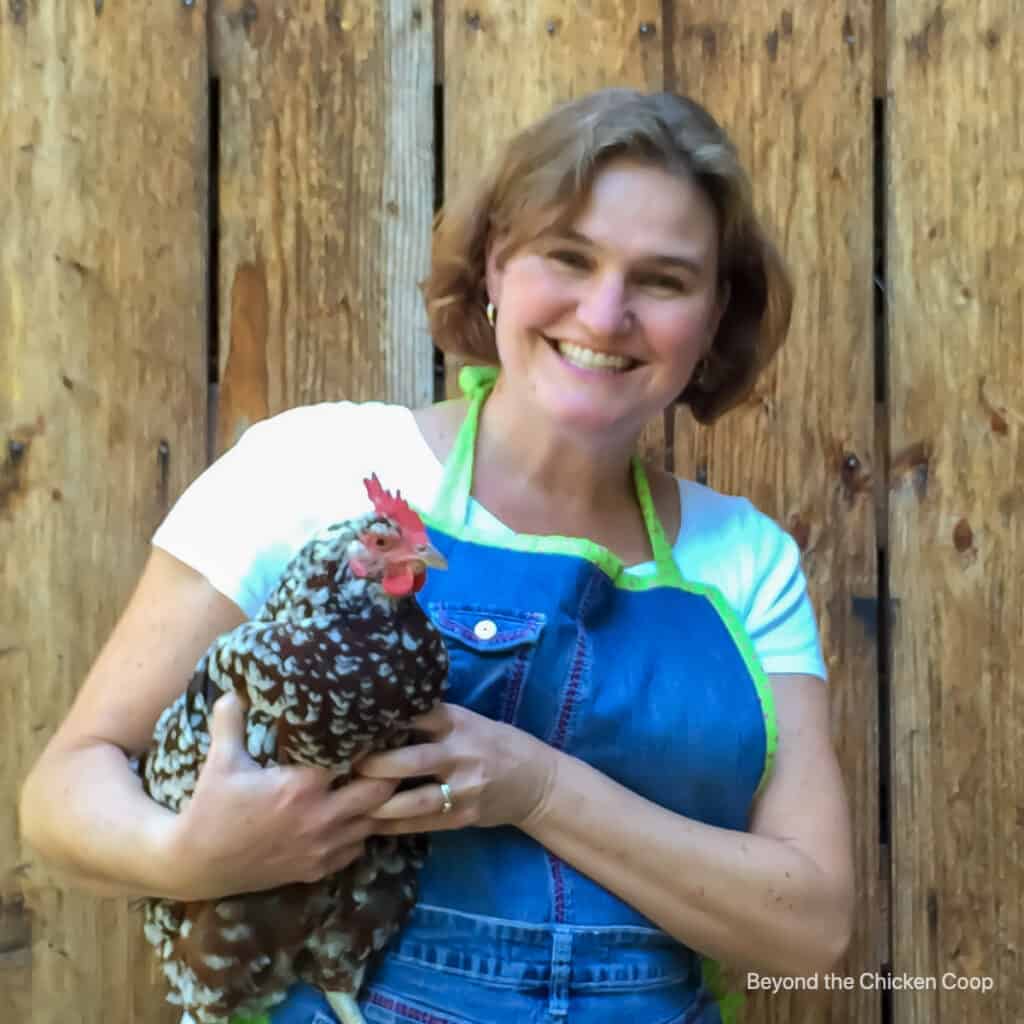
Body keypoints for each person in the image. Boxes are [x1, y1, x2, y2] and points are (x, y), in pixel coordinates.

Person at [20, 88, 854, 1024]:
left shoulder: (747, 562)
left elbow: (812, 927)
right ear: (496, 263)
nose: (606, 310)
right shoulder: (310, 469)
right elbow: (63, 793)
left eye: (663, 280)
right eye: (567, 257)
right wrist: (188, 858)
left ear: (712, 316)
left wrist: (537, 787)